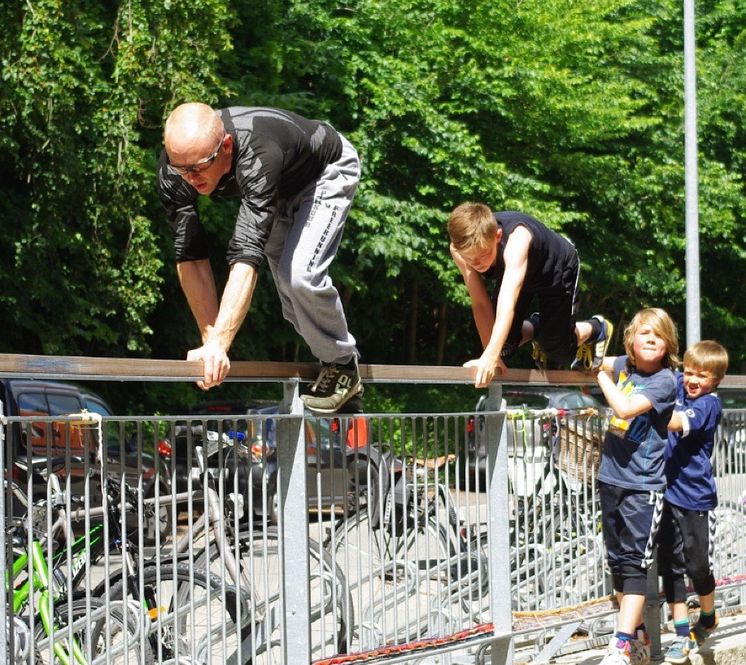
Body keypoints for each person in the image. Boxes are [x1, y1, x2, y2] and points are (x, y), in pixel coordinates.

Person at [157, 102, 362, 413]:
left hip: (324, 171)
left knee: (300, 276)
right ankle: (334, 365)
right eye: (181, 168)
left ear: (225, 146)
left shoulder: (257, 153)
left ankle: (344, 366)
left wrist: (222, 344)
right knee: (289, 297)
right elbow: (191, 256)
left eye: (198, 167)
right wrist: (210, 339)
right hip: (278, 189)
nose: (190, 178)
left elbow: (246, 255)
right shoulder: (174, 171)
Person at [447, 203, 613, 388]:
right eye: (470, 258)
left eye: (484, 255)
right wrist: (492, 355)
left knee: (557, 351)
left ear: (498, 236)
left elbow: (507, 302)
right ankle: (538, 327)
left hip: (555, 268)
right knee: (503, 348)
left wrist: (490, 356)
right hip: (516, 275)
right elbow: (479, 302)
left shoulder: (517, 240)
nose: (476, 263)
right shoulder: (458, 251)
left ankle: (597, 328)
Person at [594, 308, 679, 665]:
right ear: (630, 339)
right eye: (643, 332)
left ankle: (621, 644)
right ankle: (640, 635)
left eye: (657, 336)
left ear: (667, 347)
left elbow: (626, 408)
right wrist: (595, 352)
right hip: (610, 478)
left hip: (642, 487)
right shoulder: (624, 365)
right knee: (616, 562)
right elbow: (594, 357)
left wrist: (600, 376)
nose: (649, 339)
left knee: (634, 564)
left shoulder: (664, 380)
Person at [658, 340, 729, 664]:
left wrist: (644, 404)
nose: (692, 380)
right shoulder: (680, 386)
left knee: (696, 564)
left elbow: (674, 422)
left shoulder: (708, 404)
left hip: (694, 497)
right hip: (666, 491)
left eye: (701, 375)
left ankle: (709, 616)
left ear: (715, 379)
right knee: (670, 565)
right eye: (688, 372)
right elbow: (658, 372)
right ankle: (681, 632)